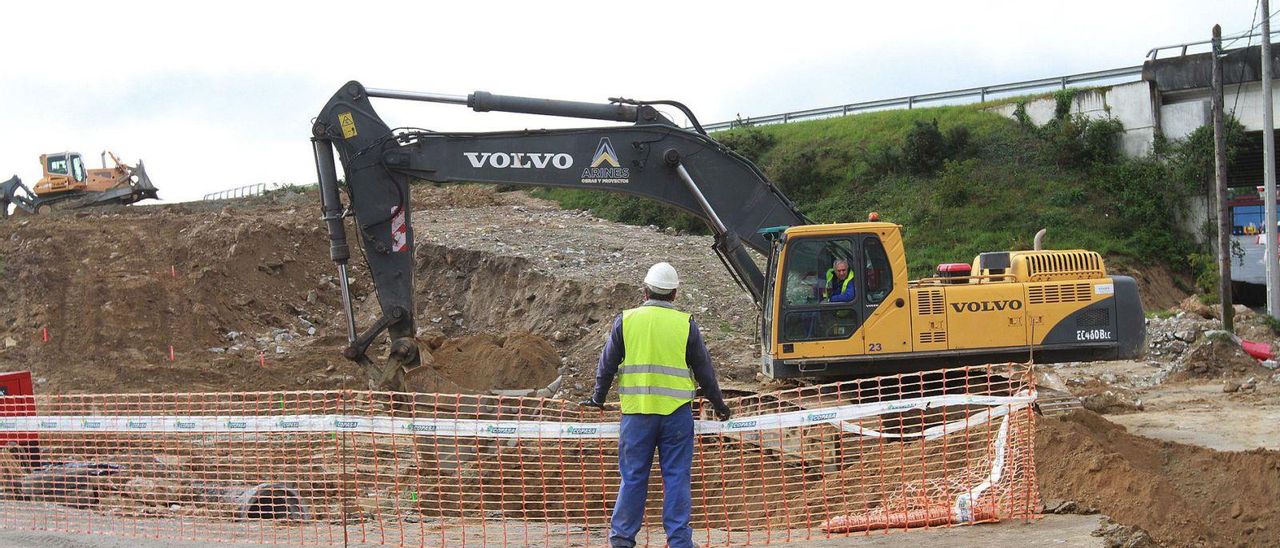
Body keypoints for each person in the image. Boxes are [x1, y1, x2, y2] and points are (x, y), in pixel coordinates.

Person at [581, 261, 731, 548]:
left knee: (634, 477)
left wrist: (597, 399)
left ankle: (623, 539)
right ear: (674, 294)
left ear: (645, 290)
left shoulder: (626, 321)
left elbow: (607, 364)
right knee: (676, 477)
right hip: (676, 415)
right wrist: (719, 405)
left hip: (637, 414)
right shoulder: (685, 324)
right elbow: (705, 371)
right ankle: (679, 541)